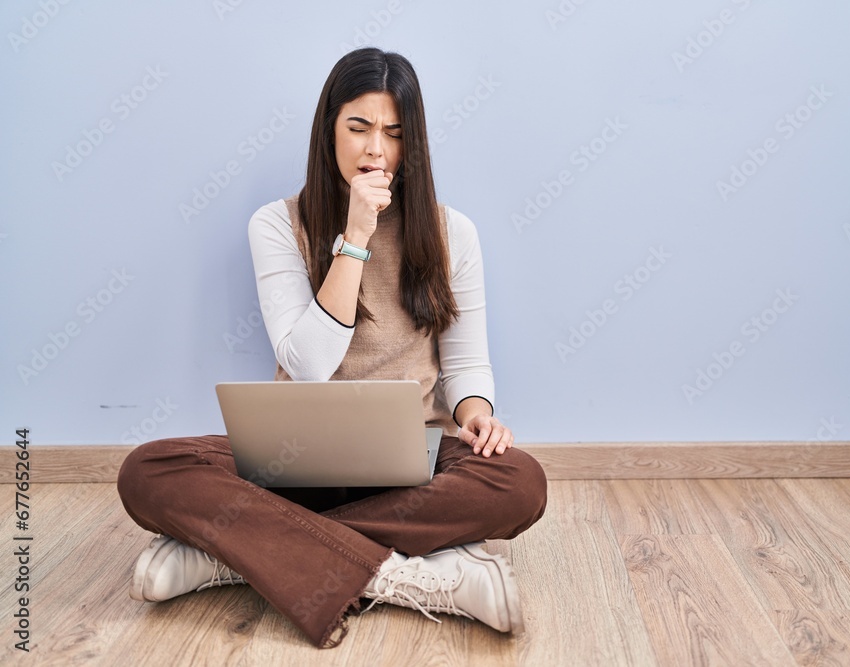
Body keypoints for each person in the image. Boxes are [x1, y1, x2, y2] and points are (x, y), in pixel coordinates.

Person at [116, 47, 548, 650]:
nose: (376, 150)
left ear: (413, 143)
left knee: (520, 481)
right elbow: (309, 365)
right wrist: (356, 237)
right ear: (329, 130)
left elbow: (466, 367)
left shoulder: (454, 233)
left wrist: (478, 416)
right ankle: (413, 578)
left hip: (413, 463)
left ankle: (229, 559)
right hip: (293, 463)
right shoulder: (277, 223)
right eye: (360, 128)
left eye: (394, 134)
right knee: (149, 471)